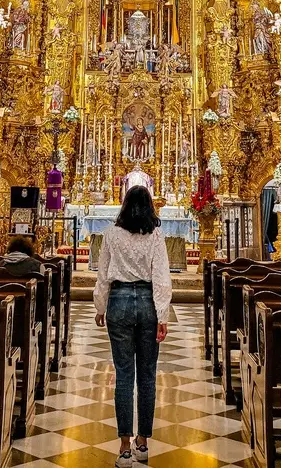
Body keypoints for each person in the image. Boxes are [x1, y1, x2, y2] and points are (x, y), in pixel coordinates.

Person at [94, 186, 172, 466]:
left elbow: (103, 273)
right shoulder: (155, 235)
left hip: (119, 301)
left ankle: (124, 446)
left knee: (124, 375)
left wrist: (100, 306)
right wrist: (162, 315)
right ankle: (143, 442)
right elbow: (161, 276)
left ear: (124, 205)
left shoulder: (112, 234)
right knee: (148, 375)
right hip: (148, 302)